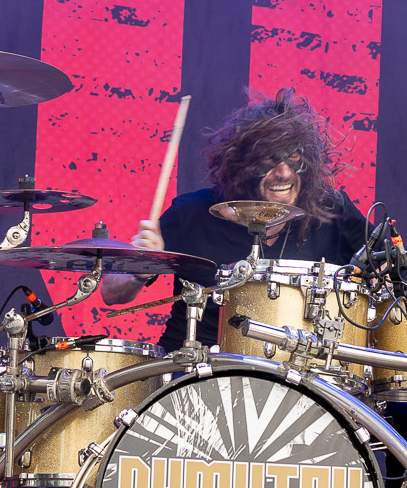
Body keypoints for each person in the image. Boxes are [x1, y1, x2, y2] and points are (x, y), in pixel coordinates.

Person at [102, 87, 370, 344]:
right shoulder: (192, 213)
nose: (284, 173)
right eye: (270, 160)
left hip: (295, 367)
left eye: (294, 158)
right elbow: (111, 292)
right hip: (196, 363)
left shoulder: (332, 211)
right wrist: (140, 268)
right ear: (243, 166)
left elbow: (389, 279)